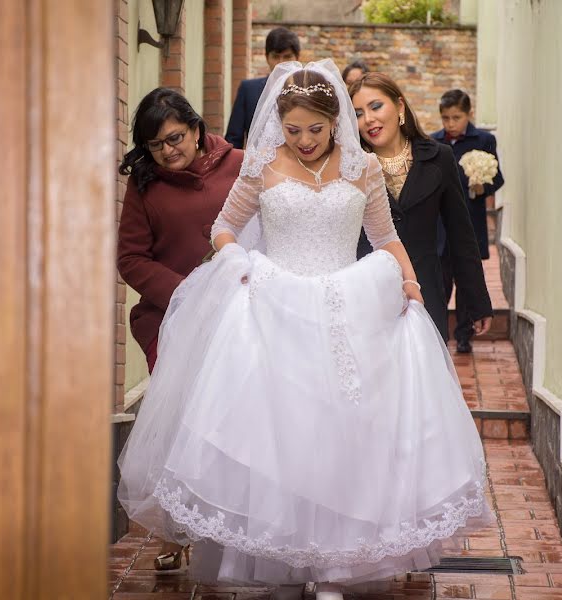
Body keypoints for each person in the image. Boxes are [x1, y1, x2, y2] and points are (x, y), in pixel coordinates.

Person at [117, 61, 491, 600]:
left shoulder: (361, 168)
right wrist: (238, 262)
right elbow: (224, 229)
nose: (305, 140)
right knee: (282, 437)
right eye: (293, 130)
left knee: (344, 436)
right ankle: (286, 558)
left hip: (348, 307)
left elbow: (384, 237)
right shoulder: (262, 167)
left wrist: (409, 283)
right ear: (279, 124)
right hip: (278, 306)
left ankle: (337, 565)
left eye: (315, 129)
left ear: (334, 122)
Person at [117, 89, 243, 568]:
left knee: (226, 427)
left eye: (175, 138)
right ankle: (173, 531)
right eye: (155, 145)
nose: (168, 151)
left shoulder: (240, 165)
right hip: (169, 320)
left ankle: (229, 525)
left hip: (238, 318)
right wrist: (187, 294)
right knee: (180, 427)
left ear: (195, 128)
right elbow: (130, 258)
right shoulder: (145, 185)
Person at [350, 73, 493, 346]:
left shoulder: (439, 157)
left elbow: (461, 235)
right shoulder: (351, 166)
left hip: (425, 291)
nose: (368, 119)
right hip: (366, 293)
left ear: (400, 106)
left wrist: (478, 301)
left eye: (376, 106)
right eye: (358, 113)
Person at [431, 89, 504, 352]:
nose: (450, 124)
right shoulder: (433, 142)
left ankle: (464, 335)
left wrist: (481, 188)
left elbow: (498, 178)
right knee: (440, 281)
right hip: (439, 225)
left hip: (469, 222)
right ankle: (437, 334)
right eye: (445, 118)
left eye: (456, 117)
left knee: (466, 281)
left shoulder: (484, 140)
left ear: (469, 114)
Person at [224, 27, 301, 149]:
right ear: (267, 57)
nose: (281, 63)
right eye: (276, 57)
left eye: (287, 57)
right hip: (258, 164)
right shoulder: (248, 89)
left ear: (297, 57)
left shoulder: (308, 90)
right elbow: (233, 139)